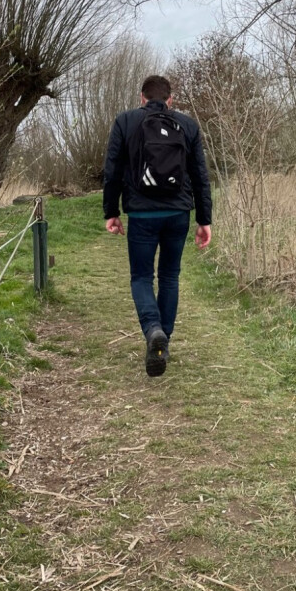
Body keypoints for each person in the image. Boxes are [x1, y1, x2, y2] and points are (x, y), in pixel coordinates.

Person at [103, 74, 212, 377]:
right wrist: (204, 219)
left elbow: (111, 170)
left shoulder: (125, 122)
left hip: (141, 214)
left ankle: (153, 330)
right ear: (170, 99)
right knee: (169, 276)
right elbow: (201, 176)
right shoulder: (188, 126)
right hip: (178, 213)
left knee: (141, 277)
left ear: (141, 98)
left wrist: (111, 212)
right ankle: (164, 341)